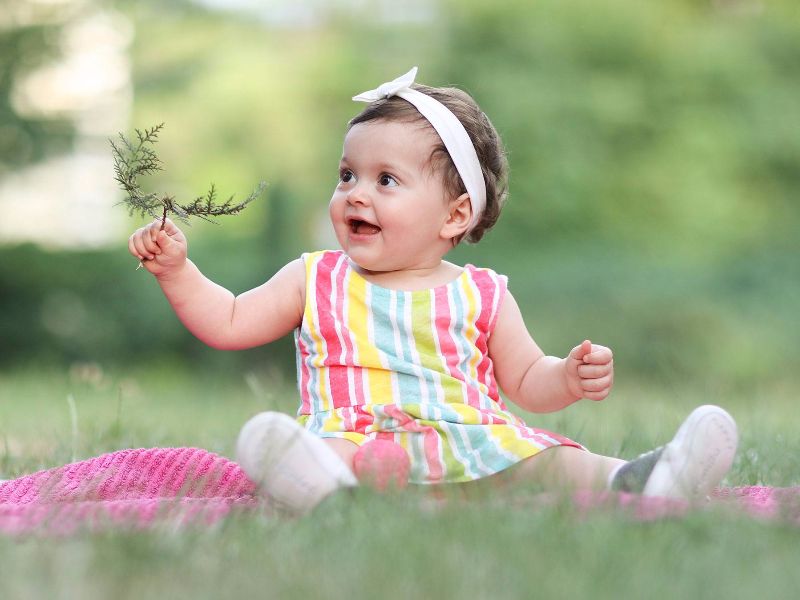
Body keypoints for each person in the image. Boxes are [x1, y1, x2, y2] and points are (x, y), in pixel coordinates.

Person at [128, 67, 738, 516]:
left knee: (549, 460)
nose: (355, 194)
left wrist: (570, 378)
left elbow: (527, 380)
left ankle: (642, 478)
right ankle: (323, 492)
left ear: (454, 215)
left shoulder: (483, 294)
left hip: (468, 444)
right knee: (325, 454)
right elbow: (230, 321)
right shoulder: (314, 278)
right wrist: (178, 272)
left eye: (385, 179)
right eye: (347, 175)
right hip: (357, 443)